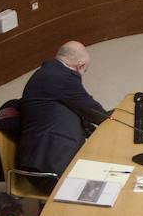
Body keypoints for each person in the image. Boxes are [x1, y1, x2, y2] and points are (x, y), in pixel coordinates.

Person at [16, 41, 110, 188]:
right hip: (49, 170)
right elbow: (94, 112)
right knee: (108, 175)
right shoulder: (62, 78)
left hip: (39, 156)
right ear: (80, 66)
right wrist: (115, 119)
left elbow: (77, 109)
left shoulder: (49, 71)